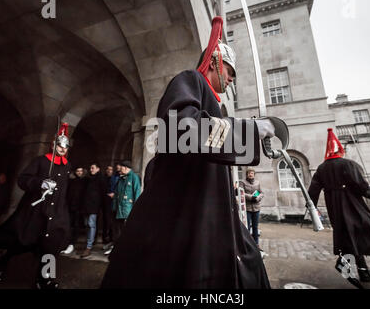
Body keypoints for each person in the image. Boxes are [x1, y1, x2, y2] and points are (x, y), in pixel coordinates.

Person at [101, 17, 275, 288]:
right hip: (184, 213)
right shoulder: (190, 79)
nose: (231, 79)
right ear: (215, 61)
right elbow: (184, 130)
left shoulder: (214, 102)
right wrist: (249, 131)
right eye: (230, 71)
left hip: (210, 211)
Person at [0, 123, 72, 289]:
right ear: (53, 145)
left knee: (51, 246)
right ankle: (2, 261)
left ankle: (44, 280)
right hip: (36, 212)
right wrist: (40, 183)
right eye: (59, 145)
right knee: (23, 243)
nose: (62, 148)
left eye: (65, 146)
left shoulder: (67, 166)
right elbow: (23, 179)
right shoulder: (40, 161)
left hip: (55, 213)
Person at [308, 128, 370, 287]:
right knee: (367, 230)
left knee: (349, 236)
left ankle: (363, 272)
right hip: (351, 203)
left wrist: (312, 208)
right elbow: (359, 184)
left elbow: (313, 191)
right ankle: (344, 263)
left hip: (334, 207)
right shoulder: (347, 164)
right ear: (340, 150)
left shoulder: (322, 168)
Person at [105, 161, 141, 255]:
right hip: (117, 210)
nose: (120, 169)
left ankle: (127, 251)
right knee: (117, 231)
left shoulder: (134, 178)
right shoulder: (121, 178)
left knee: (127, 231)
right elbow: (117, 194)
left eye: (121, 168)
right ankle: (117, 249)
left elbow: (137, 193)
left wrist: (136, 210)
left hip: (127, 210)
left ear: (126, 168)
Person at [79, 163, 107, 258]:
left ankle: (88, 247)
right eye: (90, 168)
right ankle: (89, 242)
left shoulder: (101, 179)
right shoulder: (87, 179)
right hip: (85, 206)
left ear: (98, 169)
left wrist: (102, 206)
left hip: (94, 206)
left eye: (93, 168)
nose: (91, 169)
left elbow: (103, 193)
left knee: (91, 225)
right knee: (87, 225)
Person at [61, 167, 86, 255]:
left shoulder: (85, 182)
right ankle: (66, 242)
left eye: (80, 171)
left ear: (83, 172)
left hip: (79, 208)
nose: (79, 173)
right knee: (68, 224)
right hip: (69, 206)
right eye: (78, 171)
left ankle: (72, 243)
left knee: (76, 225)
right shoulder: (71, 181)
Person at [239, 168, 264, 250]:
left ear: (254, 174)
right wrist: (251, 197)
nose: (250, 174)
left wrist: (258, 198)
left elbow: (261, 192)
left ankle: (256, 244)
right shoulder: (242, 182)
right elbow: (241, 193)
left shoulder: (257, 182)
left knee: (255, 227)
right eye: (249, 173)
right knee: (247, 227)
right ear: (247, 174)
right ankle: (248, 244)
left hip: (256, 208)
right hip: (247, 208)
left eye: (252, 173)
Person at [101, 165, 114, 250]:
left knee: (111, 223)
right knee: (105, 222)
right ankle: (105, 240)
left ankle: (110, 240)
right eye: (108, 169)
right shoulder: (103, 179)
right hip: (104, 203)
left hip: (112, 204)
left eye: (111, 170)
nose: (109, 171)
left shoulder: (114, 179)